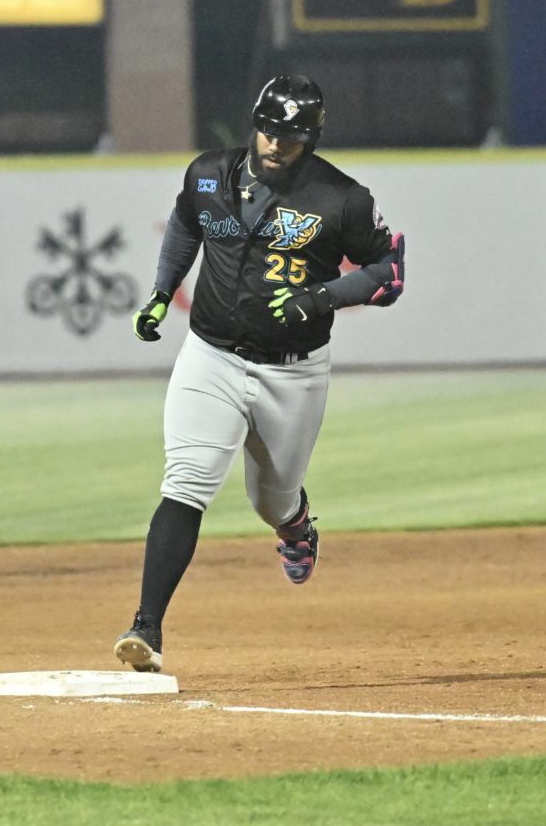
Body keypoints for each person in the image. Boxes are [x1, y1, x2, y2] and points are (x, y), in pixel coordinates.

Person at [113, 74, 405, 672]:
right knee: (186, 481)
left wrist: (319, 297)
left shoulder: (341, 198)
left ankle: (295, 525)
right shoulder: (207, 174)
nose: (275, 144)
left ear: (312, 139)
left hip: (292, 374)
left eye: (291, 138)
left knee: (269, 499)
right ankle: (147, 627)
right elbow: (185, 225)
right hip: (210, 355)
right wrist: (161, 293)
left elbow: (388, 273)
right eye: (269, 131)